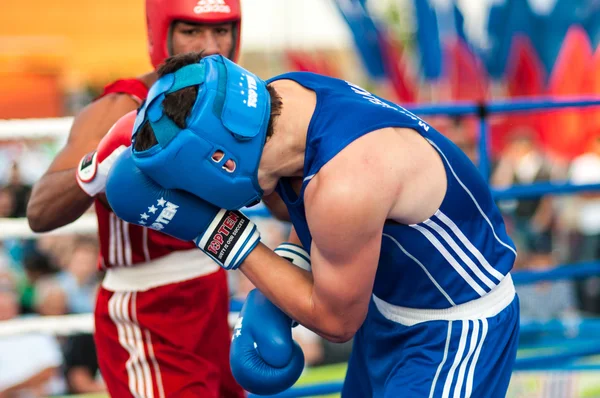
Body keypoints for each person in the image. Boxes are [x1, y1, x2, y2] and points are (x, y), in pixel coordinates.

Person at [107, 53, 520, 397]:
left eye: (191, 187)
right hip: (386, 309)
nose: (198, 198)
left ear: (221, 162)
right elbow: (305, 214)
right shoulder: (285, 100)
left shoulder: (345, 185)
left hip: (455, 332)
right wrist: (288, 263)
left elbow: (337, 323)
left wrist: (217, 233)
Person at [26, 2, 244, 396]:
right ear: (161, 34)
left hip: (213, 291)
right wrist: (99, 165)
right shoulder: (121, 106)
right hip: (148, 309)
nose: (211, 47)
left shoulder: (240, 101)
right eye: (192, 32)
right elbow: (39, 212)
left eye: (222, 31)